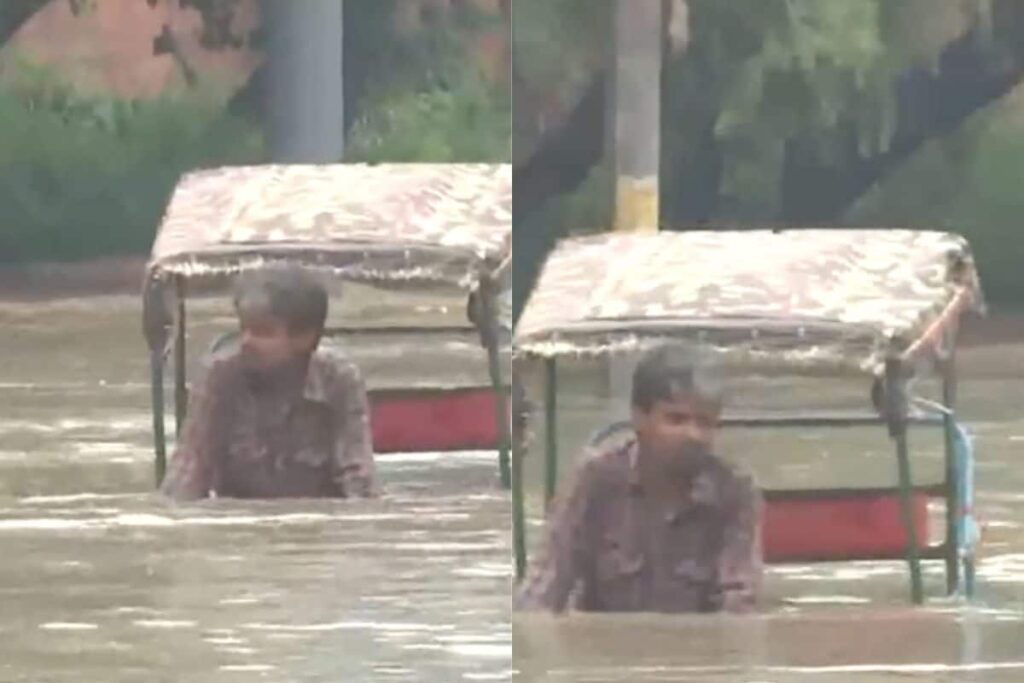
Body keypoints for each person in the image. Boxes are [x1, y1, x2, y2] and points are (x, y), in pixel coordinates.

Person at [516, 343, 762, 613]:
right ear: (639, 418)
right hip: (604, 649)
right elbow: (544, 590)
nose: (694, 435)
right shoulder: (595, 478)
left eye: (704, 422)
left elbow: (740, 604)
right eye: (676, 419)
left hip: (698, 650)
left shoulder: (733, 490)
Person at [160, 267, 376, 500]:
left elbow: (357, 475)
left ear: (305, 338)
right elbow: (188, 473)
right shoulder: (221, 376)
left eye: (263, 332)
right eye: (244, 329)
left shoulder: (338, 380)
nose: (247, 341)